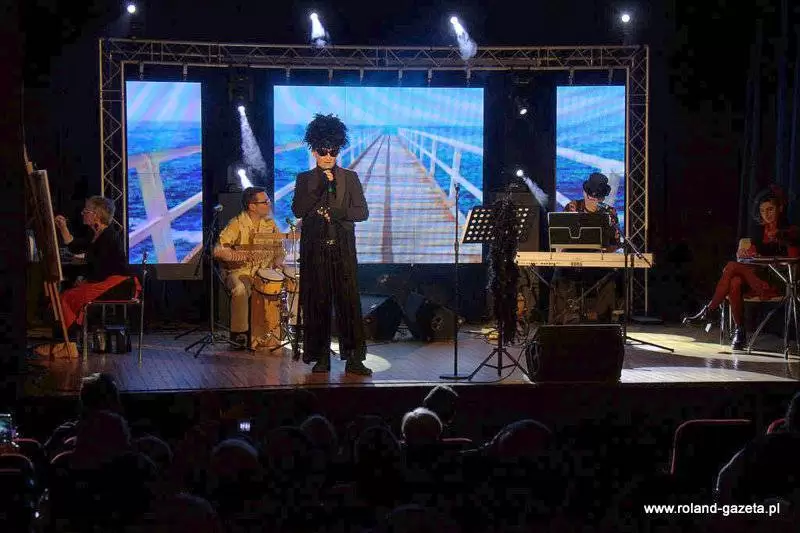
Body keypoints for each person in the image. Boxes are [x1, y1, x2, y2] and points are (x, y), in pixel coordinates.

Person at [291, 113, 372, 376]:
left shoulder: (350, 178)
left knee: (349, 302)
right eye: (323, 151)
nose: (328, 156)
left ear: (338, 150)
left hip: (343, 246)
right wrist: (319, 189)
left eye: (333, 151)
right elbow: (298, 210)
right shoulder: (305, 179)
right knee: (317, 302)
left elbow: (362, 212)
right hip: (315, 247)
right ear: (314, 151)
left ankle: (354, 358)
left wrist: (339, 213)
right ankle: (321, 357)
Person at [683, 185, 799, 350]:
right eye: (762, 210)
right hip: (758, 278)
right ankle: (738, 330)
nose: (766, 214)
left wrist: (773, 249)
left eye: (770, 209)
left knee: (731, 267)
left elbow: (794, 260)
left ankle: (711, 313)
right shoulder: (758, 232)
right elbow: (752, 259)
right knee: (735, 282)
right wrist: (748, 254)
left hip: (779, 281)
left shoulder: (791, 231)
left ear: (779, 209)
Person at [213, 186, 285, 348]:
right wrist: (240, 255)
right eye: (265, 202)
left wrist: (278, 261)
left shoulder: (270, 224)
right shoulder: (236, 224)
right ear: (252, 206)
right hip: (239, 272)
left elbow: (279, 249)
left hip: (263, 272)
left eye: (268, 201)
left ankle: (270, 334)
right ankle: (239, 335)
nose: (269, 204)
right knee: (240, 289)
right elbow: (218, 250)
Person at [54, 196, 135, 338]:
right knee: (66, 296)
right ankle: (68, 338)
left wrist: (84, 278)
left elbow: (101, 268)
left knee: (68, 298)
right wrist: (63, 227)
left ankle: (69, 340)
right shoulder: (95, 234)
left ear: (96, 215)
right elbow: (75, 246)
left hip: (116, 284)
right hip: (103, 280)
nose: (82, 213)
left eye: (86, 211)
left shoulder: (109, 236)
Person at [549, 172, 622, 324]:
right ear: (584, 193)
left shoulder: (609, 212)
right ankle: (563, 319)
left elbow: (615, 243)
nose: (592, 199)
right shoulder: (572, 207)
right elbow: (560, 238)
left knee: (610, 277)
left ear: (602, 198)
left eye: (596, 197)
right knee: (560, 274)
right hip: (572, 261)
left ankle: (601, 320)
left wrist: (604, 251)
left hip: (598, 262)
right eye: (590, 196)